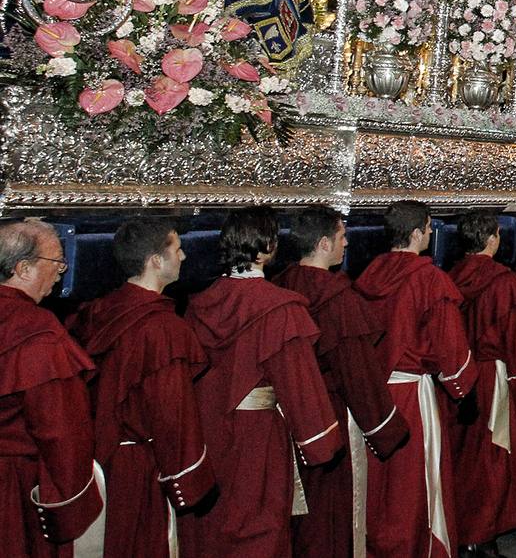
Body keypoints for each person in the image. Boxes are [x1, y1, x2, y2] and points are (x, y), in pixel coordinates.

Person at [180, 207, 343, 558]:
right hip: (257, 436)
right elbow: (299, 384)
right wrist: (322, 443)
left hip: (208, 429)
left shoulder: (200, 304)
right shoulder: (280, 308)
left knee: (215, 525)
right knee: (259, 525)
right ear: (267, 247)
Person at [69, 219, 214, 558]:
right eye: (177, 249)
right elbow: (171, 413)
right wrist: (191, 483)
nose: (184, 256)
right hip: (141, 469)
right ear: (155, 261)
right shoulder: (163, 330)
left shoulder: (98, 311)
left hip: (99, 463)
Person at [274, 207, 409, 558]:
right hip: (328, 417)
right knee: (330, 515)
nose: (347, 243)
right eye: (341, 236)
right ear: (322, 244)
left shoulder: (280, 286)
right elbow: (358, 373)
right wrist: (386, 428)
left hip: (284, 417)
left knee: (293, 513)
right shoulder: (339, 300)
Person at [354, 200, 477, 557]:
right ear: (415, 233)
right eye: (427, 227)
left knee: (378, 484)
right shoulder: (429, 279)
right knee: (417, 483)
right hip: (411, 394)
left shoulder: (367, 275)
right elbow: (449, 347)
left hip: (372, 393)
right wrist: (463, 386)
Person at [0, 220, 103, 557]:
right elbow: (60, 429)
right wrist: (70, 506)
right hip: (13, 487)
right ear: (23, 268)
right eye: (56, 261)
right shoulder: (36, 330)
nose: (61, 271)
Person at [448, 209, 516, 556]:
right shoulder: (503, 281)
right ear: (492, 239)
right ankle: (481, 534)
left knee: (462, 454)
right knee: (493, 455)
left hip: (458, 375)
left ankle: (462, 526)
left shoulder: (451, 275)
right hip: (492, 376)